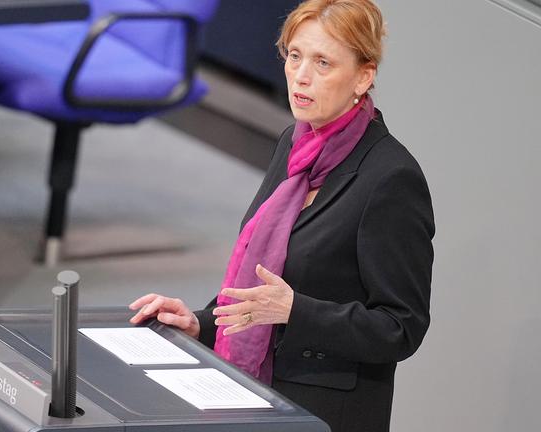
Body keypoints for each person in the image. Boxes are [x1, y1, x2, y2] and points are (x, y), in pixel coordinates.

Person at [128, 1, 435, 431]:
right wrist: (199, 323)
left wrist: (296, 310)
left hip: (323, 413)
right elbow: (259, 278)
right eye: (295, 56)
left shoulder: (391, 178)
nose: (301, 76)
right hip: (251, 391)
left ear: (363, 77)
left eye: (323, 62)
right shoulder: (296, 142)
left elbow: (401, 327)